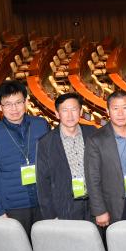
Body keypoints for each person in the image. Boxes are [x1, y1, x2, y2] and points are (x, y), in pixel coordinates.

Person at [0, 80, 49, 234]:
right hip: (14, 207)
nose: (14, 109)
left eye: (18, 102)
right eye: (8, 104)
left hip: (44, 202)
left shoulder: (41, 125)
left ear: (26, 102)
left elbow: (51, 163)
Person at [85, 90, 126, 230]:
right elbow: (92, 178)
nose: (120, 113)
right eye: (115, 108)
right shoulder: (96, 140)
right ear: (107, 110)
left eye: (125, 108)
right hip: (115, 205)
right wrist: (99, 210)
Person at [36, 92, 96, 220]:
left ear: (80, 112)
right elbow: (43, 183)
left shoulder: (93, 133)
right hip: (65, 208)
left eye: (74, 109)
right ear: (57, 114)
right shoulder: (46, 142)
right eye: (64, 110)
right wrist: (51, 216)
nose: (70, 115)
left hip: (93, 206)